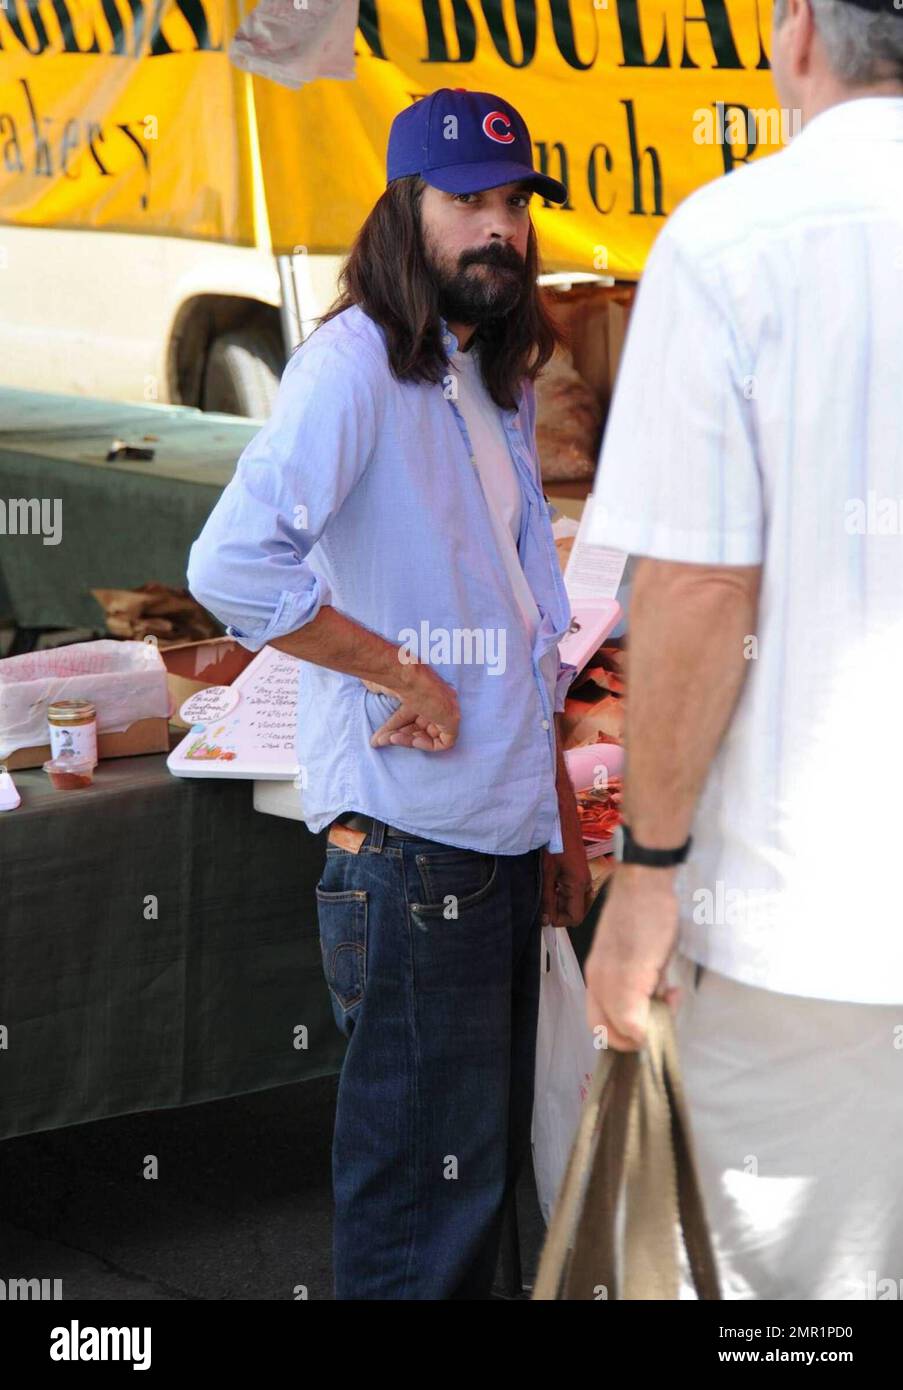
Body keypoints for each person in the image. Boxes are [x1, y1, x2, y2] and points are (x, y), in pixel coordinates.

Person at [187, 87, 592, 1300]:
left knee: (475, 1210)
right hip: (412, 861)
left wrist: (557, 820)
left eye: (516, 202)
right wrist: (398, 669)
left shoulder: (493, 370)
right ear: (404, 209)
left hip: (494, 838)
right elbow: (229, 566)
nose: (500, 228)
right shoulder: (351, 363)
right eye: (468, 200)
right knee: (425, 1223)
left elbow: (525, 626)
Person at [582, 0, 903, 1300]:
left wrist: (643, 876)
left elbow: (698, 586)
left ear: (791, 38)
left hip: (807, 924)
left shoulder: (734, 238)